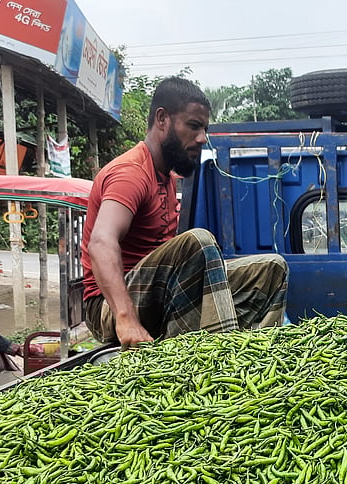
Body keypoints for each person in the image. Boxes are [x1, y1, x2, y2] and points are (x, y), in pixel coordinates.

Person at [82, 77, 288, 349]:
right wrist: (125, 317)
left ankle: (260, 355)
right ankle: (220, 362)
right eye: (193, 126)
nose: (202, 138)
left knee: (271, 269)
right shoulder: (130, 173)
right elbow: (101, 242)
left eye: (204, 129)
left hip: (157, 295)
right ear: (162, 119)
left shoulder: (165, 176)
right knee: (198, 243)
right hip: (108, 306)